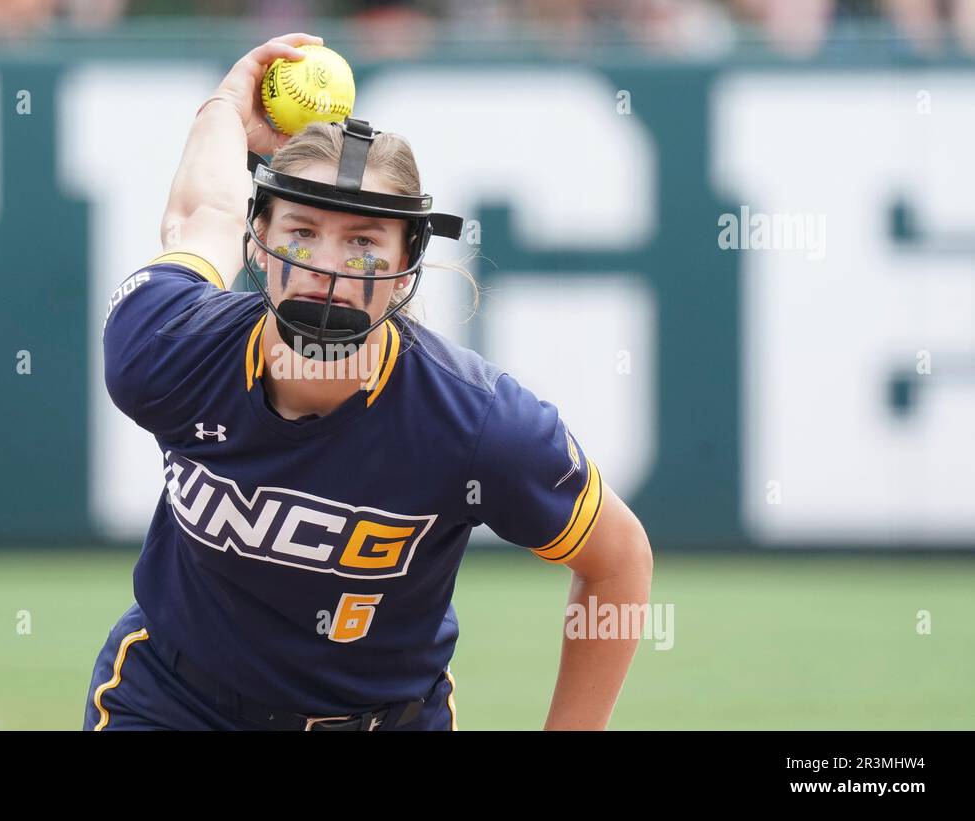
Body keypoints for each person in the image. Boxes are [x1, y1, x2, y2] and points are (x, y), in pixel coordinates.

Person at [83, 32, 654, 731]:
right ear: (257, 238)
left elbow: (618, 560)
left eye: (362, 241)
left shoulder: (476, 423)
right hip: (173, 704)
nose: (327, 265)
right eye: (301, 228)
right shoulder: (168, 346)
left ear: (406, 263)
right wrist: (226, 107)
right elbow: (203, 214)